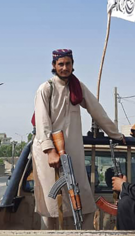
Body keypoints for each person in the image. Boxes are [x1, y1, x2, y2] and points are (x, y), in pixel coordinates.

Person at [32, 49, 124, 230]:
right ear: (54, 66)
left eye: (68, 64)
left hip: (72, 151)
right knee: (51, 204)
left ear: (73, 65)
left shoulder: (77, 87)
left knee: (82, 198)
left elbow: (97, 111)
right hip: (47, 152)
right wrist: (50, 151)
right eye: (61, 64)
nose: (64, 68)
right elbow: (42, 123)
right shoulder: (46, 88)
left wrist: (116, 134)